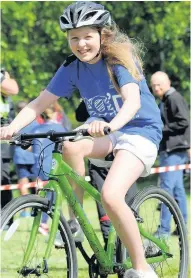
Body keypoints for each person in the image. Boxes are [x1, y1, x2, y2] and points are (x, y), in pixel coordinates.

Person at [0, 2, 163, 277]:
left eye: (87, 36)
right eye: (74, 37)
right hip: (108, 133)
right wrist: (10, 127)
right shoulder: (72, 67)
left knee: (111, 196)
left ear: (103, 35)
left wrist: (110, 125)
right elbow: (40, 103)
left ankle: (142, 267)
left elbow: (133, 102)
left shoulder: (118, 60)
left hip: (140, 132)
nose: (80, 43)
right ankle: (74, 222)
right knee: (70, 147)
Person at [75, 100, 137, 249]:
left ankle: (131, 248)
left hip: (123, 154)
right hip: (98, 159)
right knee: (103, 205)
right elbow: (79, 115)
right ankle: (110, 248)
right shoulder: (94, 98)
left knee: (128, 204)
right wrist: (87, 101)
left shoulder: (123, 96)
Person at [150, 71, 190, 237]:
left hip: (174, 150)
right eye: (153, 86)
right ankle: (182, 226)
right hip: (171, 149)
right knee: (178, 191)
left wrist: (161, 130)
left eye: (159, 84)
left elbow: (184, 121)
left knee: (166, 190)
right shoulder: (165, 100)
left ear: (167, 83)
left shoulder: (173, 98)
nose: (156, 88)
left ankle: (163, 230)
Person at [32, 103, 67, 236]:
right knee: (55, 196)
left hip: (38, 165)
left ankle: (42, 222)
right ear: (55, 113)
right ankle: (47, 223)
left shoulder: (36, 129)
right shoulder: (58, 128)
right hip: (53, 165)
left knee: (43, 194)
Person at [13, 101, 38, 217]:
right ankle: (38, 207)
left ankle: (25, 211)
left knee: (23, 183)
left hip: (21, 157)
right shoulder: (36, 123)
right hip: (34, 157)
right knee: (38, 183)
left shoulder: (15, 123)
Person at [1, 68, 19, 229]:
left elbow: (13, 88)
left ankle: (7, 219)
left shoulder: (2, 74)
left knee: (3, 177)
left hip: (2, 141)